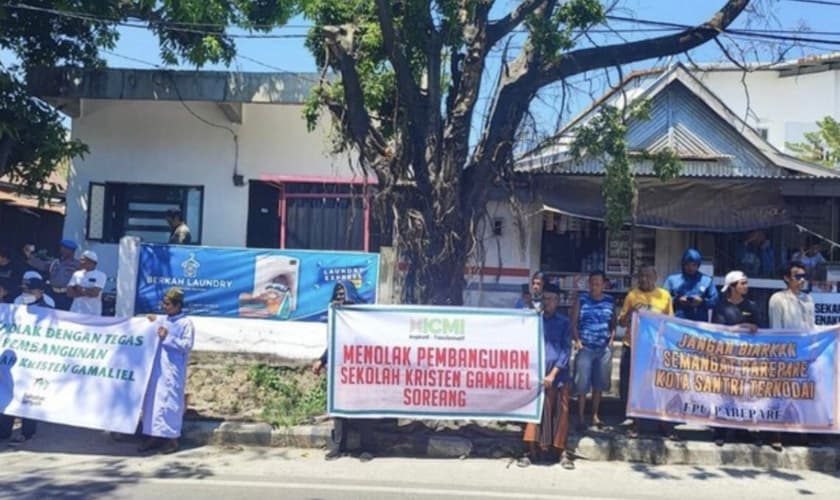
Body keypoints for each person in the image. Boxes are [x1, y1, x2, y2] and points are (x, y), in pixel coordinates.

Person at [312, 280, 377, 461]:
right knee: (339, 410)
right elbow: (334, 344)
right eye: (337, 295)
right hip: (342, 371)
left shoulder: (364, 317)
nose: (340, 298)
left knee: (364, 411)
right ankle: (338, 447)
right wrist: (322, 360)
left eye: (343, 294)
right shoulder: (338, 319)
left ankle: (367, 448)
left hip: (363, 371)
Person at [518, 283, 575, 469]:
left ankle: (562, 453)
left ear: (557, 302)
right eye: (545, 298)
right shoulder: (535, 320)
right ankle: (529, 452)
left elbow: (566, 351)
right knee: (534, 415)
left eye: (551, 299)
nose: (547, 302)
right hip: (537, 376)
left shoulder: (564, 322)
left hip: (558, 377)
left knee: (561, 414)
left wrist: (553, 373)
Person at [618, 264, 675, 440]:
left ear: (655, 277)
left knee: (659, 387)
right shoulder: (632, 295)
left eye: (648, 276)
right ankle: (636, 424)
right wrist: (631, 314)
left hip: (655, 348)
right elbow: (621, 322)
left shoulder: (664, 296)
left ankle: (664, 424)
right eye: (641, 276)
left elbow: (670, 322)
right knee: (634, 386)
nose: (644, 279)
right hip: (633, 347)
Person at [138, 287, 195, 454]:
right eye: (163, 303)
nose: (165, 306)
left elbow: (186, 345)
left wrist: (167, 338)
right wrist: (148, 320)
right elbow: (154, 321)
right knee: (152, 402)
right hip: (157, 369)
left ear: (177, 305)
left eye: (168, 304)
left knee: (170, 403)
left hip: (173, 370)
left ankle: (172, 439)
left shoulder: (186, 323)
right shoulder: (163, 320)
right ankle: (153, 436)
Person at [0, 272, 54, 444]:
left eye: (29, 290)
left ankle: (28, 432)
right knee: (8, 391)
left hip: (34, 359)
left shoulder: (48, 307)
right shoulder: (16, 303)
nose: (25, 293)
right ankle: (4, 430)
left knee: (29, 395)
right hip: (13, 358)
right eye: (24, 289)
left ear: (39, 291)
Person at [767, 261, 815, 452]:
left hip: (804, 352)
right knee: (781, 393)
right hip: (785, 352)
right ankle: (775, 434)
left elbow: (811, 327)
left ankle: (800, 431)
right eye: (798, 276)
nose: (802, 280)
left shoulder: (808, 300)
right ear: (787, 278)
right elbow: (776, 328)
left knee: (801, 392)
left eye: (804, 276)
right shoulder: (778, 299)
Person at [710, 270, 760, 447]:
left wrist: (751, 326)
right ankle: (720, 430)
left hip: (746, 357)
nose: (746, 286)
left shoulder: (752, 306)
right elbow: (718, 329)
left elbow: (760, 327)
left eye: (746, 283)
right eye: (742, 283)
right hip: (726, 357)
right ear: (732, 286)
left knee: (743, 393)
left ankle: (741, 430)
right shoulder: (721, 306)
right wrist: (742, 326)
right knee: (724, 393)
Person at [571, 271, 615, 431]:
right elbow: (573, 323)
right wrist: (577, 341)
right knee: (581, 384)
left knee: (599, 384)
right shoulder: (581, 300)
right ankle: (581, 417)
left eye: (598, 283)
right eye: (592, 283)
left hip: (603, 349)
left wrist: (610, 342)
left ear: (604, 284)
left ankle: (595, 416)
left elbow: (613, 324)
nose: (595, 286)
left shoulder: (610, 301)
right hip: (586, 348)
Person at [664, 248, 718, 322]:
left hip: (698, 324)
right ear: (683, 264)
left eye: (694, 265)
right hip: (677, 323)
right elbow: (663, 299)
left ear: (698, 265)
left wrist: (702, 302)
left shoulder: (706, 280)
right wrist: (677, 300)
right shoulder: (672, 280)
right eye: (687, 265)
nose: (690, 268)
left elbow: (715, 301)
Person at [26, 239, 80, 311]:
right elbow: (42, 265)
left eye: (65, 248)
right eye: (61, 247)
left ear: (71, 251)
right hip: (52, 293)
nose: (62, 250)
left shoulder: (77, 265)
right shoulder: (55, 262)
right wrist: (29, 257)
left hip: (66, 295)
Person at [67, 250, 107, 316]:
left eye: (82, 260)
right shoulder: (76, 274)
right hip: (75, 311)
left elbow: (94, 293)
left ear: (91, 262)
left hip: (92, 313)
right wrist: (87, 292)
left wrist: (78, 288)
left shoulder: (101, 275)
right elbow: (69, 293)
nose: (80, 262)